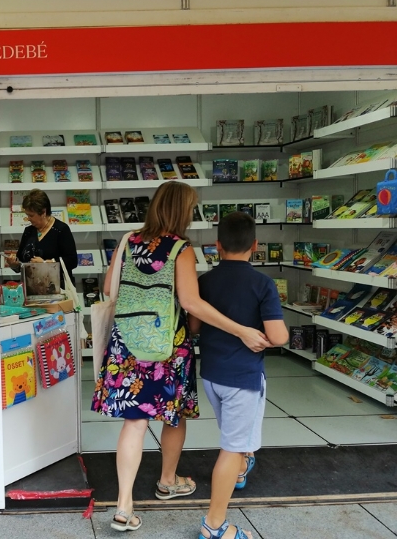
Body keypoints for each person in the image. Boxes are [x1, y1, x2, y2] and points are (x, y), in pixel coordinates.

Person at [91, 183, 270, 533]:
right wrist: (241, 330)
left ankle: (124, 506)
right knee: (173, 416)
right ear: (182, 211)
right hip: (167, 346)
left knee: (134, 421)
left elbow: (109, 288)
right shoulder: (180, 249)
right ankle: (168, 480)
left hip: (128, 344)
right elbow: (191, 303)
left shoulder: (128, 241)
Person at [188, 212, 287, 539]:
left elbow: (194, 326)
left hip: (211, 375)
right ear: (255, 246)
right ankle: (214, 525)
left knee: (235, 435)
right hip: (243, 378)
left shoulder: (204, 281)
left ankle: (241, 469)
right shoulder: (263, 284)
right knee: (231, 447)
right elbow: (279, 336)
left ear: (217, 246)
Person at [5, 189, 77, 286]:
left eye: (31, 215)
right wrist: (14, 264)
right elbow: (21, 261)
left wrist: (46, 264)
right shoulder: (28, 231)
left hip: (57, 288)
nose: (28, 219)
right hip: (31, 288)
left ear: (43, 212)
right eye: (27, 215)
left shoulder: (61, 230)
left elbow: (72, 261)